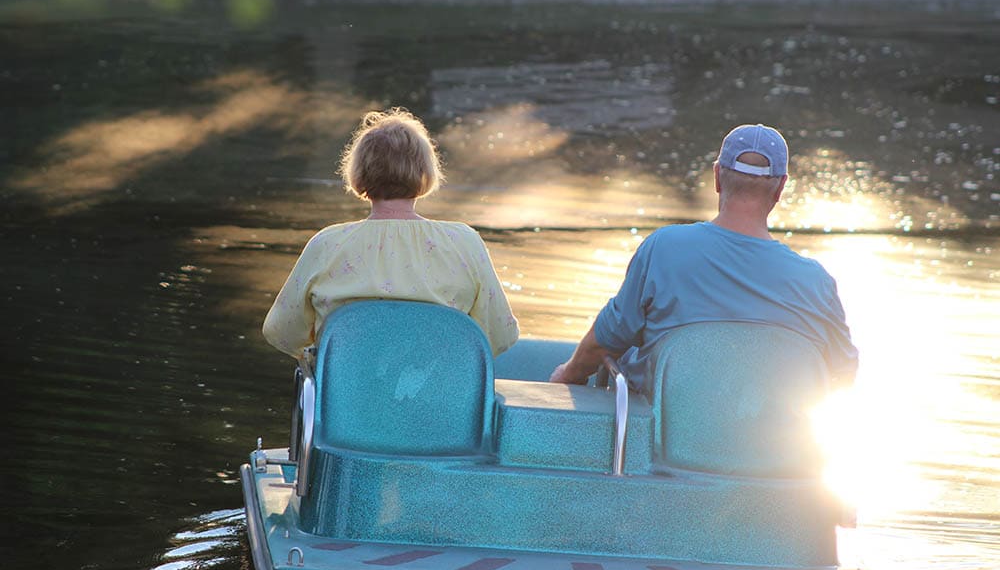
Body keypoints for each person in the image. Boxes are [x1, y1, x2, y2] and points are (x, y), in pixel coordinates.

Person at [550, 123, 857, 388]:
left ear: (717, 178)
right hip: (770, 450)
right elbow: (842, 375)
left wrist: (568, 375)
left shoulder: (664, 248)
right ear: (780, 189)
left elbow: (605, 341)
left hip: (663, 440)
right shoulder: (817, 283)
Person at [263, 108, 518, 358]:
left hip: (349, 395)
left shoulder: (327, 245)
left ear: (359, 175)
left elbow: (282, 333)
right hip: (435, 394)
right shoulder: (463, 243)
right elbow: (499, 335)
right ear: (425, 173)